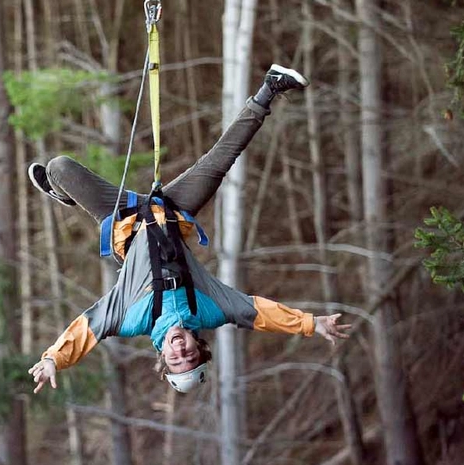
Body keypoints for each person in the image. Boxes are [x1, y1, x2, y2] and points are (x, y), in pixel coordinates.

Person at [26, 64, 352, 395]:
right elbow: (261, 313)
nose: (181, 353)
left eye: (176, 360)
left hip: (125, 217)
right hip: (172, 210)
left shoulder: (129, 317)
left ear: (162, 356)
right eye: (190, 357)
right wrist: (312, 323)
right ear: (199, 347)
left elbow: (86, 329)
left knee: (59, 167)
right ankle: (270, 87)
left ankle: (63, 192)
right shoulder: (211, 309)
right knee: (218, 161)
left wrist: (54, 358)